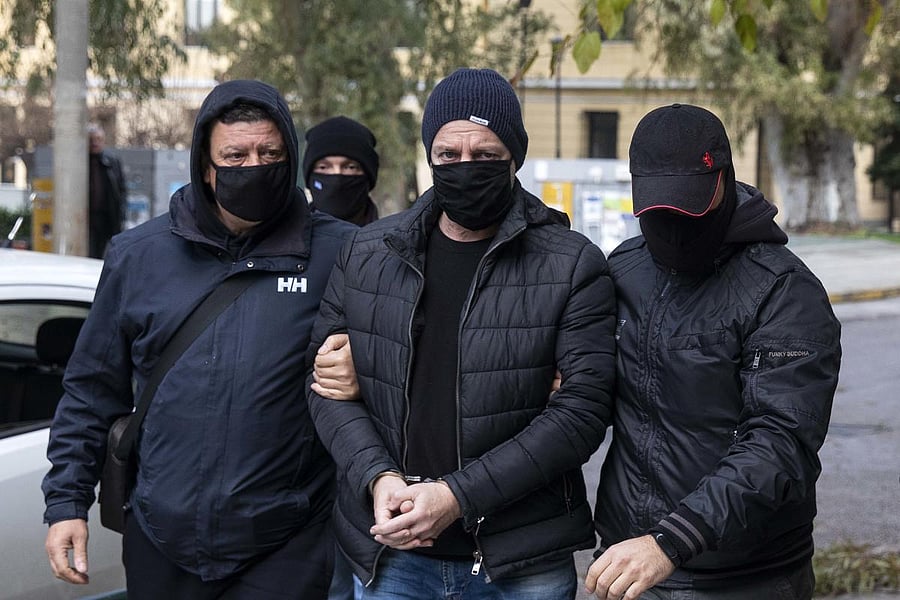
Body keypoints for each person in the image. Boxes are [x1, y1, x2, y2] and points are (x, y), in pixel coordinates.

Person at [306, 67, 617, 600]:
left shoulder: (572, 264)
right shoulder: (368, 253)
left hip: (521, 562)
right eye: (449, 155)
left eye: (486, 155)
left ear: (514, 156)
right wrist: (378, 477)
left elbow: (583, 413)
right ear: (430, 156)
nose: (465, 167)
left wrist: (455, 496)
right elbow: (324, 389)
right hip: (393, 555)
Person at [43, 80, 356, 600]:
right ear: (207, 167)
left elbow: (406, 364)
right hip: (161, 542)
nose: (253, 165)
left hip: (287, 546)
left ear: (290, 157)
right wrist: (66, 505)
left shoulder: (342, 254)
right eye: (235, 155)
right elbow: (90, 392)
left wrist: (360, 369)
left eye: (269, 153)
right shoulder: (138, 256)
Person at [584, 103, 842, 599]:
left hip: (744, 576)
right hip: (629, 563)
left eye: (689, 204)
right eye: (659, 209)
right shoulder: (625, 268)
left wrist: (671, 540)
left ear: (722, 178)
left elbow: (780, 442)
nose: (674, 224)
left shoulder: (784, 292)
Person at [303, 116, 380, 226]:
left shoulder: (396, 239)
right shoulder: (285, 239)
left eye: (350, 167)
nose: (337, 177)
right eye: (323, 167)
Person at [87, 123, 127, 258]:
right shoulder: (80, 162)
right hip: (86, 218)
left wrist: (120, 217)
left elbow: (121, 192)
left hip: (107, 218)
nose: (95, 143)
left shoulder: (112, 162)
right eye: (91, 140)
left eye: (98, 139)